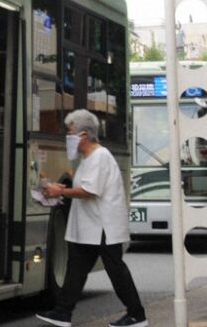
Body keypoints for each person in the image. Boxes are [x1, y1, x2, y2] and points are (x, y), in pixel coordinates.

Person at [36, 109, 147, 327]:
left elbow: (90, 191)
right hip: (90, 227)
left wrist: (61, 192)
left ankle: (137, 314)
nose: (68, 137)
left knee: (116, 269)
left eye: (70, 132)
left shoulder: (100, 156)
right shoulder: (89, 158)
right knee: (76, 267)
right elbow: (83, 187)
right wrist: (63, 188)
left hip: (103, 226)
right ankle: (63, 312)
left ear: (83, 135)